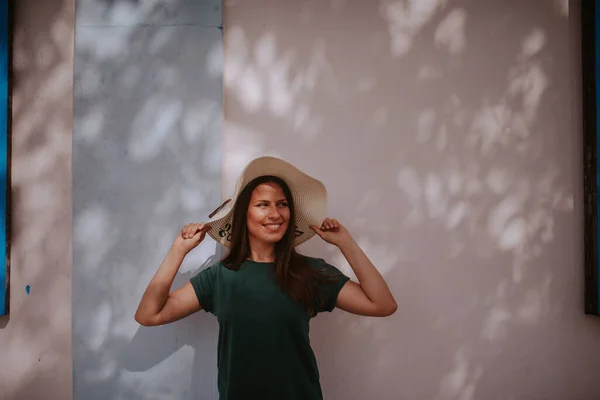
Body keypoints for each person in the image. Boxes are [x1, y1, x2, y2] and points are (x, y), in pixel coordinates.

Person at [134, 156, 397, 400]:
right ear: (242, 215)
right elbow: (149, 315)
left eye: (282, 205)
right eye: (263, 205)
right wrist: (178, 250)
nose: (275, 214)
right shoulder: (220, 277)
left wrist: (346, 243)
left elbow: (382, 304)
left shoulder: (310, 272)